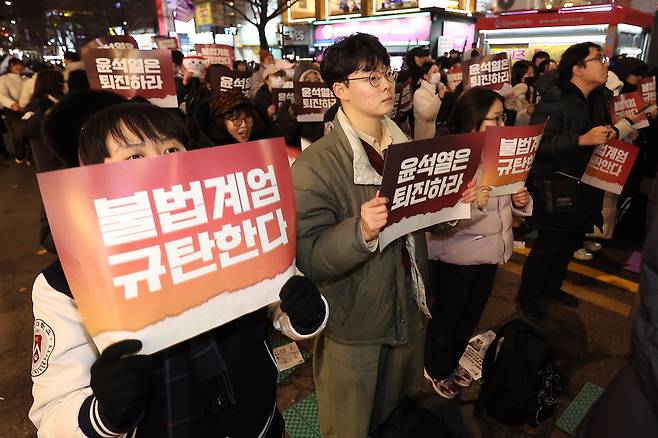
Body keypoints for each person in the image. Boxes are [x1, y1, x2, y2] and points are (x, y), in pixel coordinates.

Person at [29, 102, 329, 437]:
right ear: (93, 172)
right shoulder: (65, 283)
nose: (162, 164)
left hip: (260, 424)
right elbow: (52, 413)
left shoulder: (233, 231)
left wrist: (305, 313)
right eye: (134, 156)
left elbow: (281, 310)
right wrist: (103, 413)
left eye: (171, 148)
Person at [292, 33, 478, 437]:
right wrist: (359, 232)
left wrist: (457, 203)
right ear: (339, 90)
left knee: (394, 418)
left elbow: (424, 221)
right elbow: (308, 256)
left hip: (408, 313)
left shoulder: (404, 144)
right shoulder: (315, 166)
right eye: (371, 77)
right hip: (353, 326)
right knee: (350, 425)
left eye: (387, 74)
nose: (387, 85)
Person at [425, 87, 532, 399]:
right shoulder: (451, 158)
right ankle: (435, 368)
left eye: (504, 117)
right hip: (455, 259)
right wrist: (474, 204)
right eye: (495, 118)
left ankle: (450, 361)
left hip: (489, 256)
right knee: (446, 321)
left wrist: (521, 201)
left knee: (470, 316)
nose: (502, 124)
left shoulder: (504, 154)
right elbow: (438, 220)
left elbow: (510, 205)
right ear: (472, 121)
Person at [517, 42, 613, 321]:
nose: (605, 64)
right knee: (548, 247)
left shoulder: (598, 99)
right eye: (599, 59)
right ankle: (529, 296)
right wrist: (581, 140)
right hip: (557, 186)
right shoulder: (555, 100)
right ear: (578, 68)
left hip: (586, 185)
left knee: (570, 243)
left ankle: (551, 288)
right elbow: (537, 144)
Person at [412, 61, 445, 140]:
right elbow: (427, 114)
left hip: (439, 137)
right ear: (426, 76)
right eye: (434, 72)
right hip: (424, 139)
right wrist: (439, 97)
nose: (438, 74)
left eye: (438, 71)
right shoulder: (419, 93)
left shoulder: (441, 88)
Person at [506, 60, 534, 126]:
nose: (532, 76)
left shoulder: (532, 90)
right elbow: (508, 104)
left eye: (533, 73)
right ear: (519, 75)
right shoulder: (516, 91)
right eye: (528, 74)